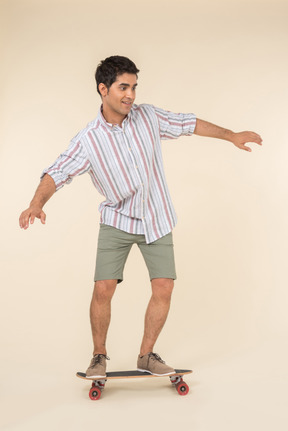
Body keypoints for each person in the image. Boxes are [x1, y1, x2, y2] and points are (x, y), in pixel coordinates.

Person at [19, 55, 262, 378]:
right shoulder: (89, 139)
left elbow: (189, 123)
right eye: (123, 87)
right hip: (117, 220)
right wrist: (37, 203)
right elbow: (57, 172)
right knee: (103, 288)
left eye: (133, 87)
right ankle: (98, 356)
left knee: (163, 286)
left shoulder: (147, 117)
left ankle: (146, 355)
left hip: (156, 217)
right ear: (103, 89)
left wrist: (231, 134)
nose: (130, 95)